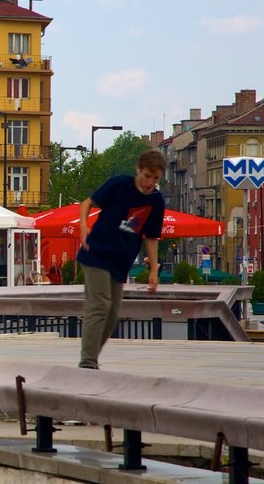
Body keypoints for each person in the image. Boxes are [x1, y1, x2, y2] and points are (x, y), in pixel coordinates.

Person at [76, 149, 166, 370]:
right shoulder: (119, 184)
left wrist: (153, 270)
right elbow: (87, 203)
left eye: (155, 179)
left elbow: (152, 237)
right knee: (100, 304)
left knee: (113, 312)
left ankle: (91, 356)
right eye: (147, 176)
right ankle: (88, 363)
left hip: (120, 261)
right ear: (138, 170)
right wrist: (83, 224)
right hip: (96, 252)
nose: (150, 183)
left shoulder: (156, 201)